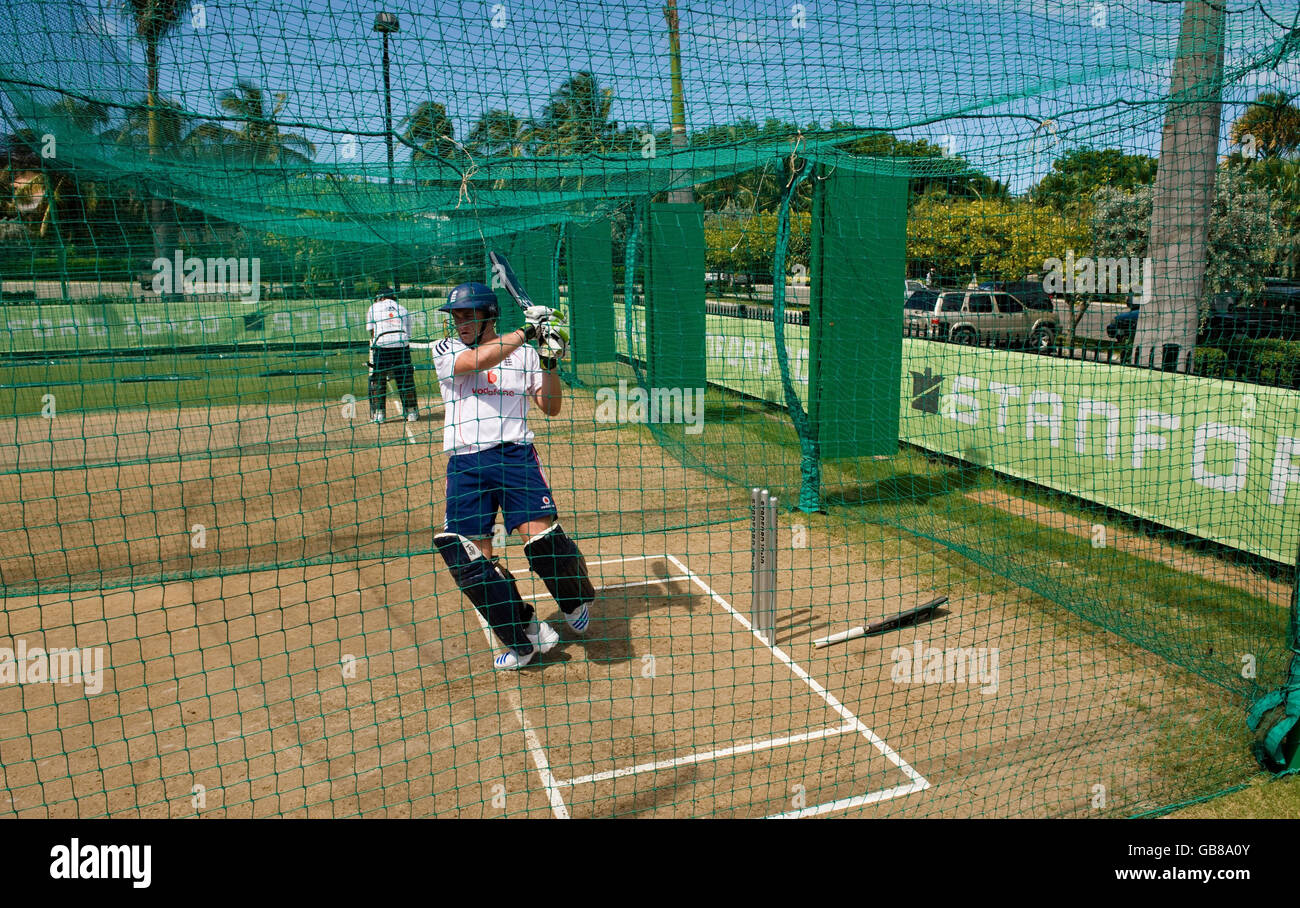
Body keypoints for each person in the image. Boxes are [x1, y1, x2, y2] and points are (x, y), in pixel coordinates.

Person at [430, 281, 596, 670]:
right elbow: (478, 363)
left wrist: (549, 359)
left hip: (514, 455)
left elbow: (550, 406)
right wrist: (528, 331)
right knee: (473, 563)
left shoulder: (523, 356)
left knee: (542, 543)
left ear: (489, 314)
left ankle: (574, 598)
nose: (460, 322)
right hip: (466, 464)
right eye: (455, 315)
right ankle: (522, 635)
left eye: (468, 314)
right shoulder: (447, 350)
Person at [365, 288, 419, 423]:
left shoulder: (373, 307)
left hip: (382, 344)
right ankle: (411, 412)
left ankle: (379, 414)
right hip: (401, 344)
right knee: (405, 378)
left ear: (380, 298)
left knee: (378, 379)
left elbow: (372, 333)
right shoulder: (403, 309)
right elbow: (408, 334)